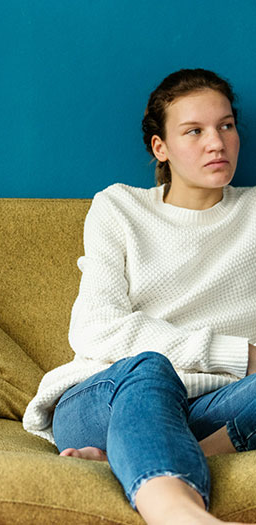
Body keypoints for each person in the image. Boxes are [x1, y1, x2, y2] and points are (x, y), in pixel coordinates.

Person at [23, 68, 256, 525]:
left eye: (226, 126)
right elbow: (96, 327)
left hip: (213, 406)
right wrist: (240, 355)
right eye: (194, 131)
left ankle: (130, 462)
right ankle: (180, 516)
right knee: (151, 365)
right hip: (110, 396)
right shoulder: (119, 207)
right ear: (160, 148)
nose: (217, 143)